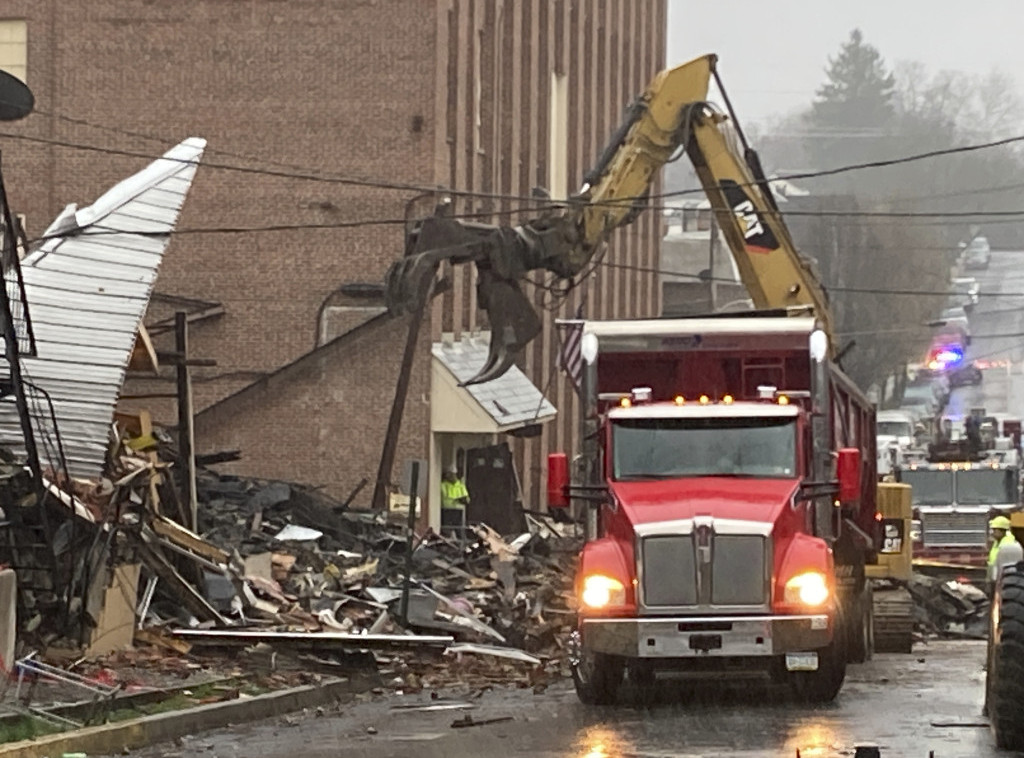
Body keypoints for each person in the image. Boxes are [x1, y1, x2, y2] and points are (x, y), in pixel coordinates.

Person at [988, 515, 1019, 583]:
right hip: (997, 578)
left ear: (1002, 530)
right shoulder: (998, 541)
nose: (992, 532)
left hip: (1005, 580)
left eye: (994, 530)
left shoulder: (1008, 544)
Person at [440, 465, 470, 534]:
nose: (449, 476)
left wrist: (464, 500)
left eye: (451, 474)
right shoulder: (443, 485)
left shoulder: (461, 485)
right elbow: (444, 497)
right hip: (447, 510)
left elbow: (467, 498)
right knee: (447, 530)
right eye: (448, 474)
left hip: (458, 511)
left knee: (459, 531)